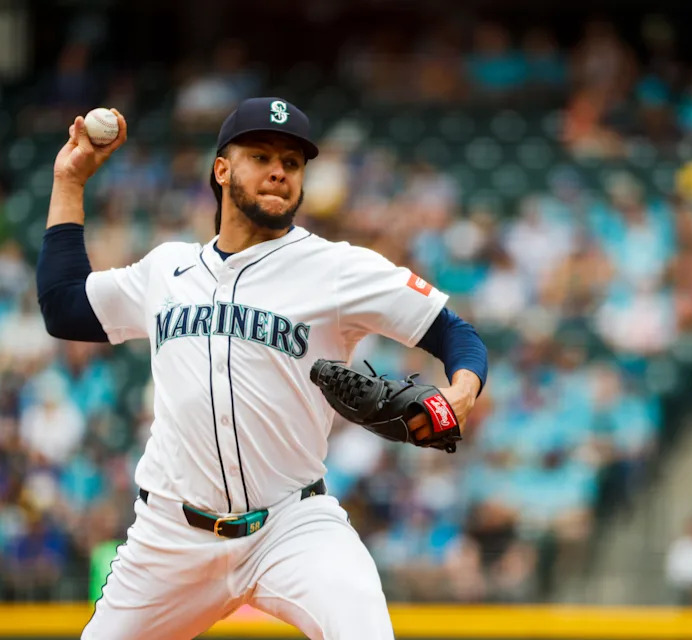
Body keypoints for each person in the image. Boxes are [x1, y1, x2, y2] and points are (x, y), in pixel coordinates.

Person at [36, 97, 488, 639]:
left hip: (291, 525)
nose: (279, 170)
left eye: (292, 163)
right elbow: (64, 306)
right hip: (171, 537)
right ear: (222, 170)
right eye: (261, 156)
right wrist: (69, 181)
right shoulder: (166, 270)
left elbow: (454, 332)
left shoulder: (336, 269)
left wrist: (460, 393)